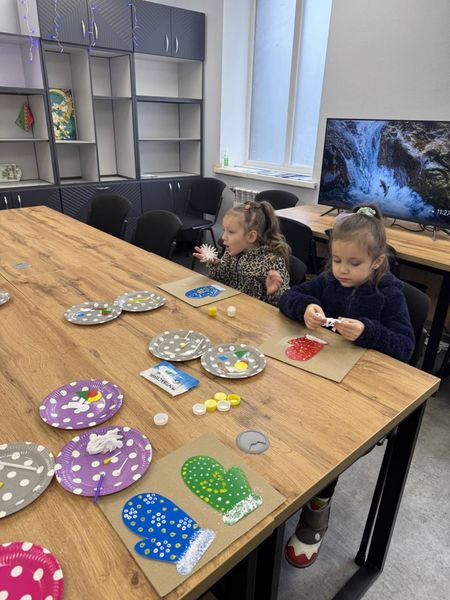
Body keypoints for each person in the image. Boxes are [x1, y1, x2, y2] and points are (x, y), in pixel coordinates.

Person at [279, 204, 415, 568]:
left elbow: (405, 346)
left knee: (324, 446)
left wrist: (368, 331)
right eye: (336, 260)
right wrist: (307, 307)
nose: (341, 270)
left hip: (360, 397)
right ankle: (288, 481)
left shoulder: (389, 292)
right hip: (317, 380)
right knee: (282, 417)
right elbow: (288, 296)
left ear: (377, 261)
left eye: (354, 263)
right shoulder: (328, 281)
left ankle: (316, 510)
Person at [193, 200, 290, 305]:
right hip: (231, 305)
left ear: (251, 236)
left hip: (252, 311)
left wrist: (275, 292)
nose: (223, 237)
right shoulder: (232, 252)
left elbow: (286, 302)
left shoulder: (272, 261)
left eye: (231, 232)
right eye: (224, 230)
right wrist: (215, 263)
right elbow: (222, 279)